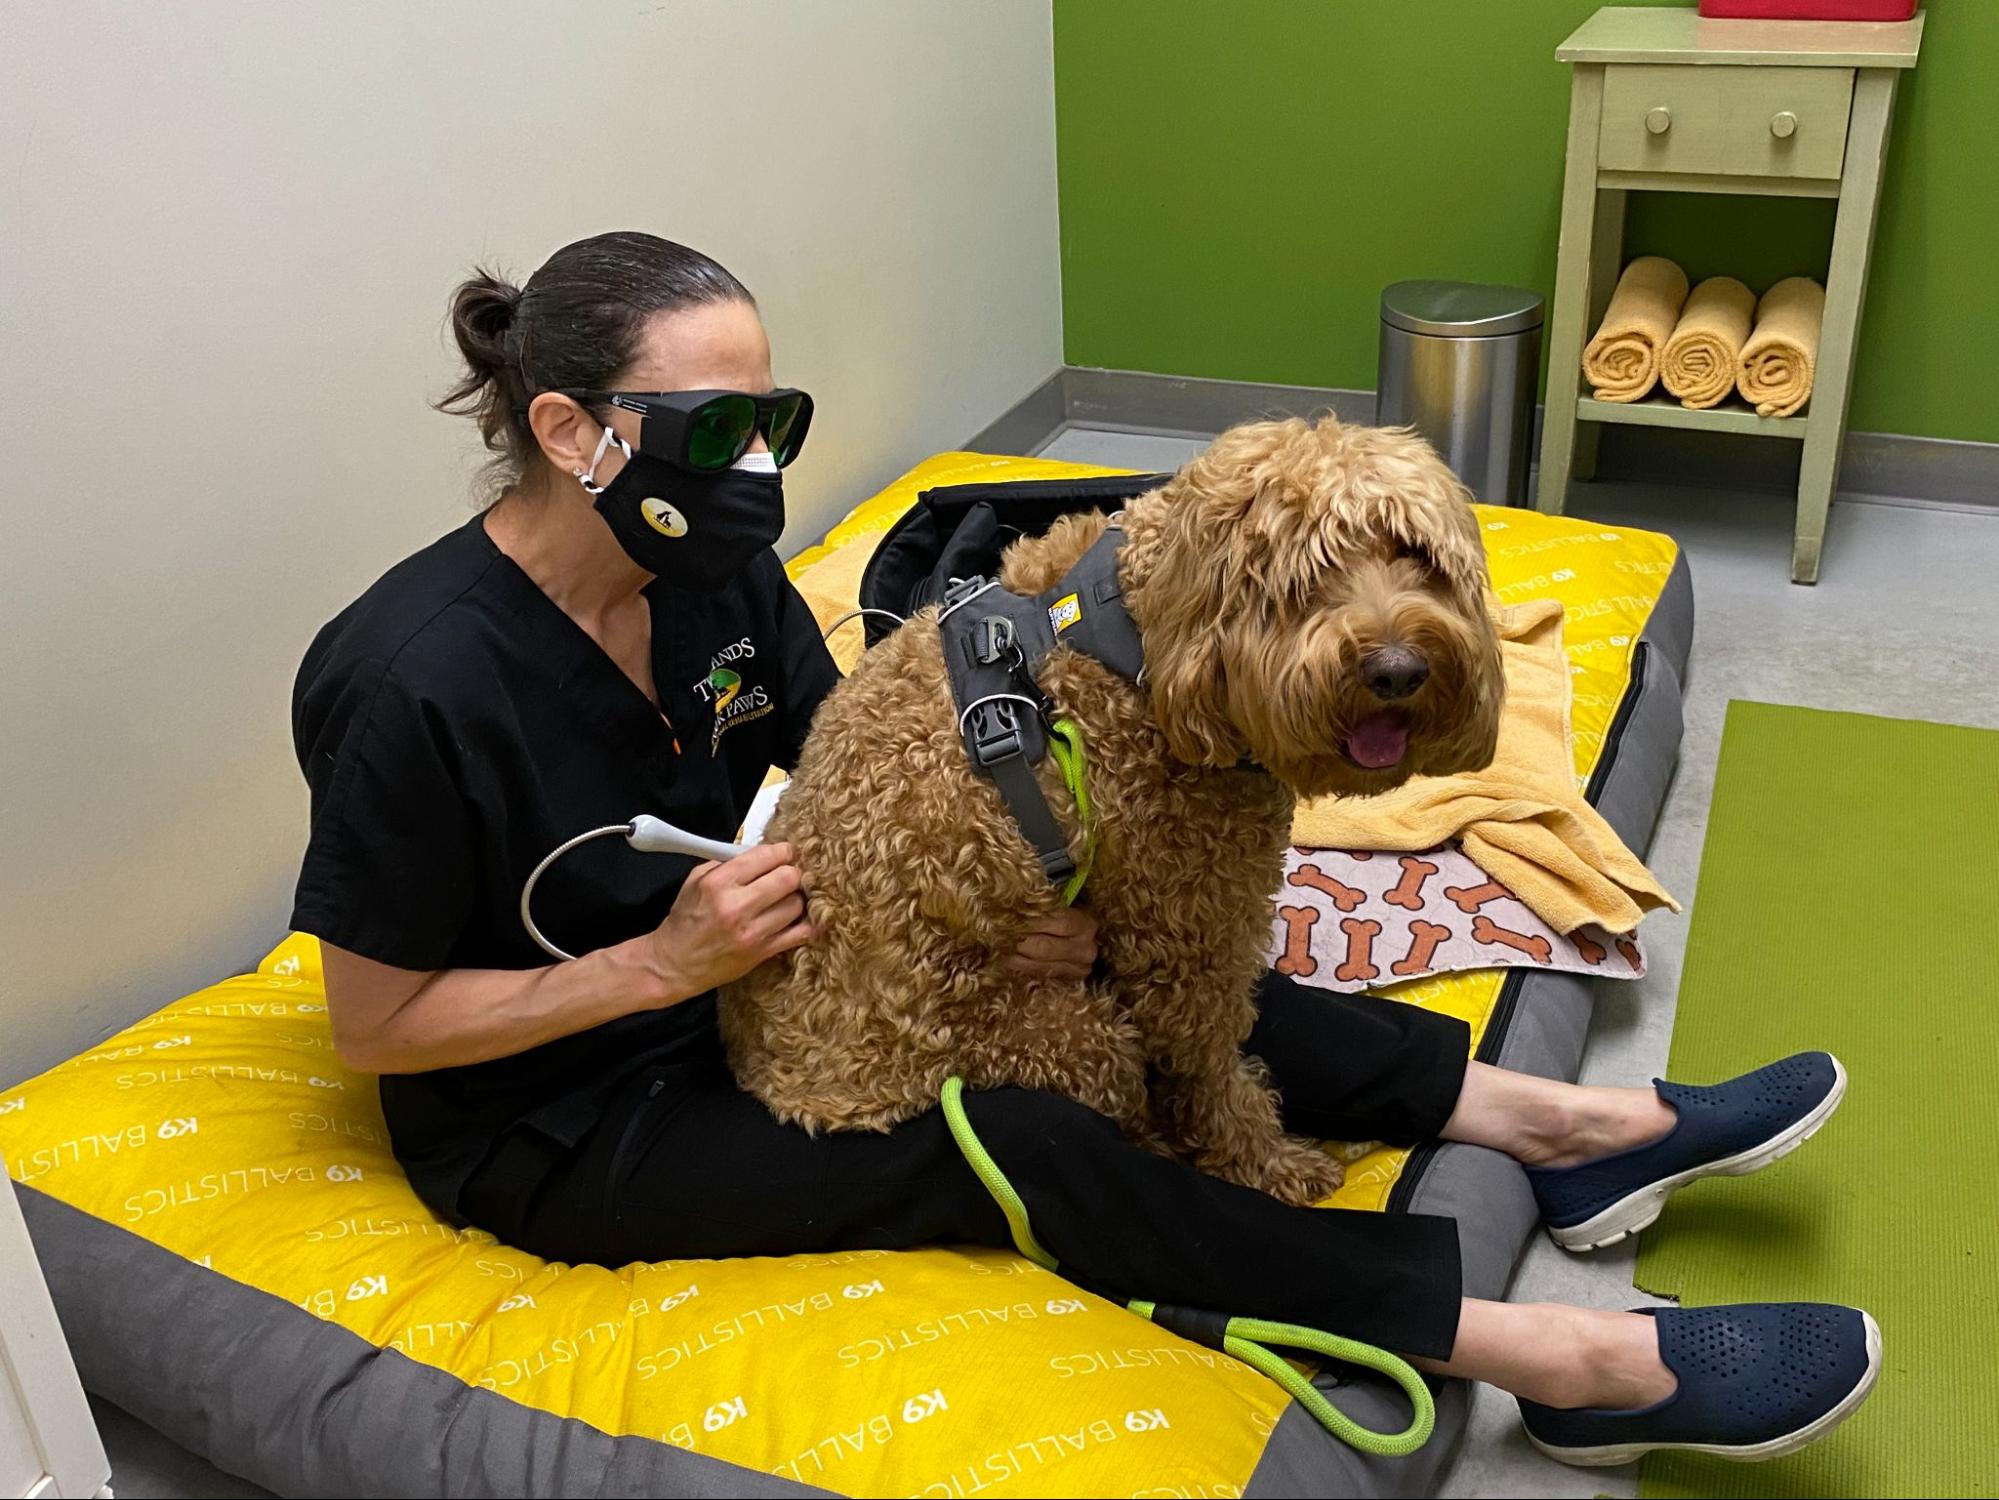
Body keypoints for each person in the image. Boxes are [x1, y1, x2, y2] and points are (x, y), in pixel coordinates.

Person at [291, 230, 1878, 1466]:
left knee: (1169, 951)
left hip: (760, 953)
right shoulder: (415, 679)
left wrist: (1033, 901)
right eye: (720, 431)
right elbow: (376, 1027)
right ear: (570, 428)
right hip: (570, 1119)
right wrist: (660, 962)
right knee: (1036, 1138)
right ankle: (1566, 1366)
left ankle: (1565, 1128)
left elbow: (859, 767)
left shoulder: (711, 577)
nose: (763, 469)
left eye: (778, 420)